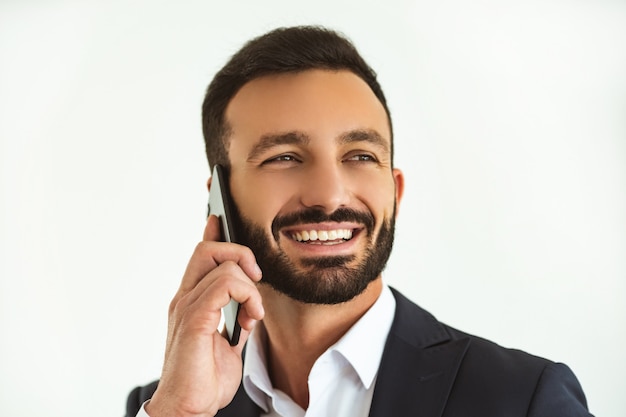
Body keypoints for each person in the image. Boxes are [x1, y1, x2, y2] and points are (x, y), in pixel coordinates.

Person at [126, 26, 592, 417]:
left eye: (360, 155)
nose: (329, 195)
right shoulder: (170, 402)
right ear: (218, 202)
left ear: (396, 192)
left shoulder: (524, 399)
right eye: (284, 157)